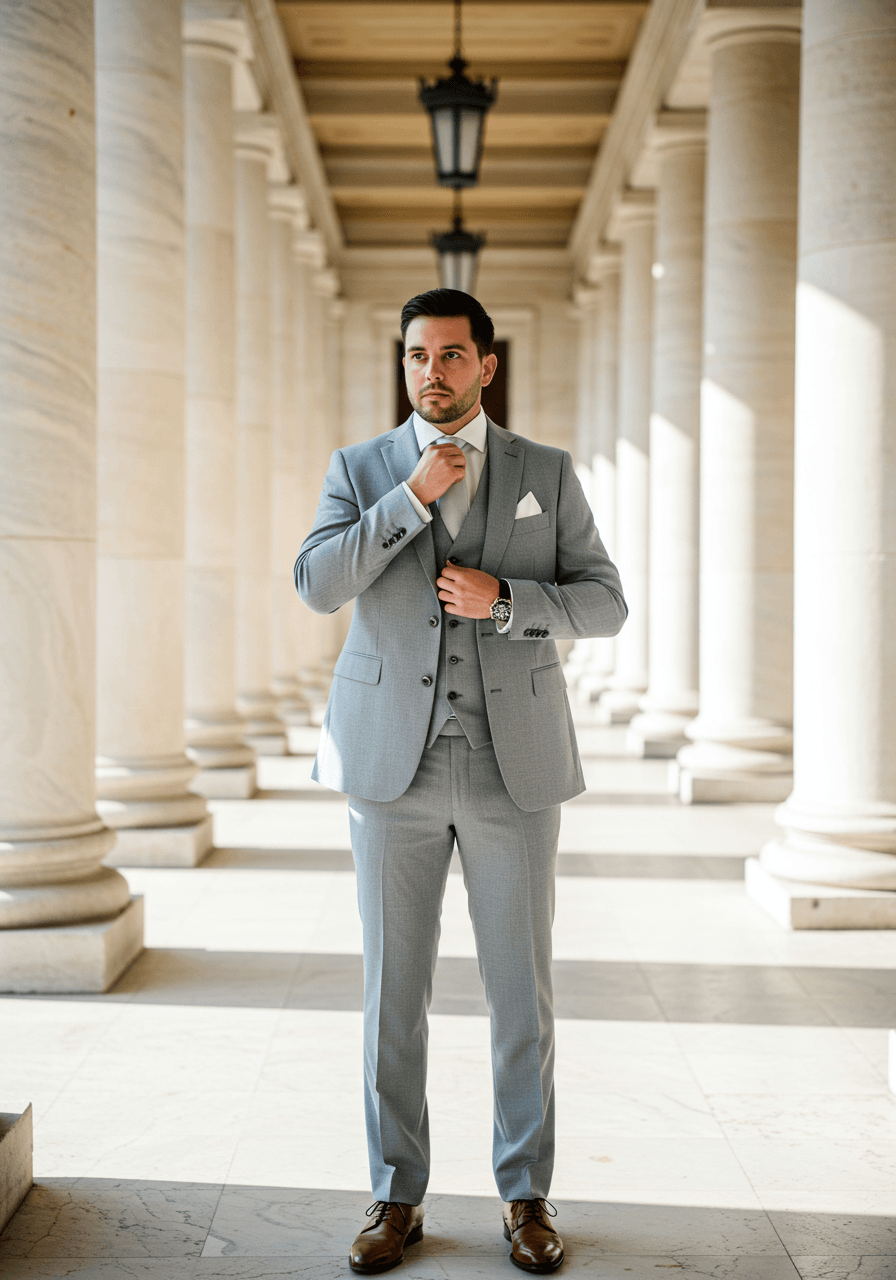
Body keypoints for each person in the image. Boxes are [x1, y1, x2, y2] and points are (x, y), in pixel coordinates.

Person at [295, 289, 626, 1275]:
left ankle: (525, 1194)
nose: (429, 372)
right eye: (413, 355)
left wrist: (508, 599)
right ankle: (395, 1192)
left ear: (485, 365)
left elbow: (603, 603)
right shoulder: (359, 469)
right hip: (388, 764)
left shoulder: (544, 473)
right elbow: (317, 583)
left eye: (449, 355)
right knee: (391, 991)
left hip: (509, 767)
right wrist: (408, 502)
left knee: (519, 991)